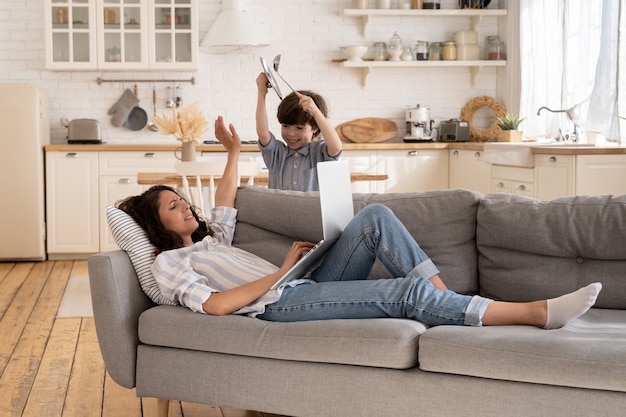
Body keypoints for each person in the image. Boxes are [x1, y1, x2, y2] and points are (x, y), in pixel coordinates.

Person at [117, 115, 602, 329]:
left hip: (296, 284)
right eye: (173, 206)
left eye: (183, 200)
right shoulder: (168, 264)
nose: (186, 207)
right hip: (278, 304)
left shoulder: (210, 238)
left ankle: (449, 302)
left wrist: (232, 152)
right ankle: (535, 313)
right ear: (157, 225)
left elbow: (224, 201)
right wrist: (281, 271)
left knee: (374, 217)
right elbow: (218, 307)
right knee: (402, 295)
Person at [255, 72, 343, 191]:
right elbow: (263, 133)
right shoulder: (277, 154)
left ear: (315, 127)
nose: (291, 133)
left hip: (310, 210)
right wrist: (262, 93)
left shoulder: (319, 152)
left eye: (299, 128)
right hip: (279, 210)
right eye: (286, 126)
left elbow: (336, 147)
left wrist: (315, 112)